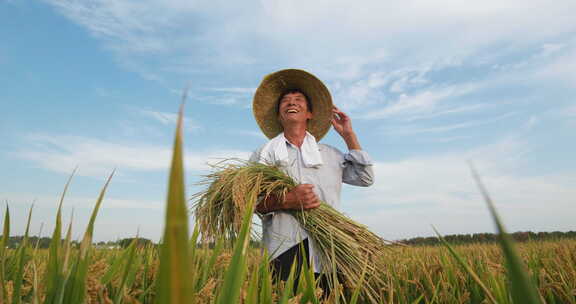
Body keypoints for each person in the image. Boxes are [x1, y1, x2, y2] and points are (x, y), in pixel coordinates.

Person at [249, 69, 374, 294]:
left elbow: (365, 178)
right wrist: (286, 201)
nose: (291, 103)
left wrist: (348, 135)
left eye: (298, 100)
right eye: (285, 101)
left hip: (330, 251)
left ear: (310, 114)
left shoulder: (330, 154)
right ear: (279, 115)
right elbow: (250, 203)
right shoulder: (264, 156)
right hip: (284, 251)